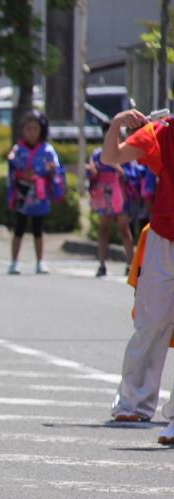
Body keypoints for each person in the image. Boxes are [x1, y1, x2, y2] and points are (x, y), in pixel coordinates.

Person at [102, 109, 174, 440]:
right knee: (150, 324)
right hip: (163, 239)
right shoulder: (163, 131)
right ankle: (133, 402)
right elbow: (112, 156)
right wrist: (118, 124)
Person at [6, 109, 61, 275]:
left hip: (40, 193)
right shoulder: (18, 150)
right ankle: (14, 262)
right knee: (19, 227)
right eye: (28, 128)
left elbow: (56, 170)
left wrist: (50, 172)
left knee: (38, 228)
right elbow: (11, 169)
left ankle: (40, 261)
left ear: (41, 130)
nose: (32, 132)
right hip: (23, 193)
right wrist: (22, 175)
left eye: (35, 128)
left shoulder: (47, 150)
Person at [87, 145, 134, 277]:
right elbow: (91, 175)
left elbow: (132, 174)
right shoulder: (97, 154)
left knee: (124, 229)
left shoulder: (127, 151)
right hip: (104, 195)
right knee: (104, 229)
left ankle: (131, 264)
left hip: (120, 194)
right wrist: (93, 172)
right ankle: (102, 264)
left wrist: (120, 171)